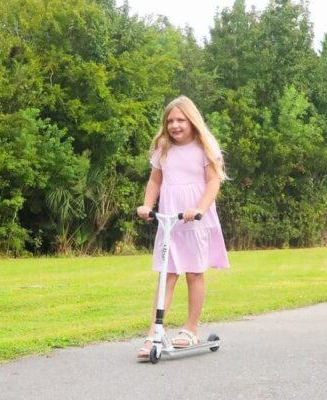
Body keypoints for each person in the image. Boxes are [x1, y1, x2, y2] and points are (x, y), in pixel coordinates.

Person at [135, 96, 230, 358]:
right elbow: (155, 181)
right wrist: (146, 204)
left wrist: (199, 208)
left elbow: (213, 182)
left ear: (191, 121)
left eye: (180, 120)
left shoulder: (204, 147)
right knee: (167, 273)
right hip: (170, 219)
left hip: (195, 219)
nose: (175, 125)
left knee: (194, 272)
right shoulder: (163, 148)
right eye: (170, 121)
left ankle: (190, 329)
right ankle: (154, 332)